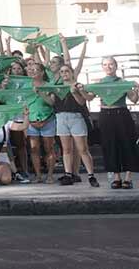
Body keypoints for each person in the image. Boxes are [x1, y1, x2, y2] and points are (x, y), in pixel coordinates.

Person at [83, 56, 139, 189]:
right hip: (105, 115)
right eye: (105, 65)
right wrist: (81, 90)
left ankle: (128, 178)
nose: (108, 67)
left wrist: (136, 90)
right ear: (102, 67)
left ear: (116, 66)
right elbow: (89, 97)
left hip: (121, 114)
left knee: (127, 143)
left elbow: (134, 99)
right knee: (110, 145)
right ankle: (116, 177)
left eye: (111, 64)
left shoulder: (123, 82)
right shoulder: (99, 83)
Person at [48, 64, 99, 187]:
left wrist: (75, 92)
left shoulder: (78, 85)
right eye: (62, 71)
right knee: (66, 149)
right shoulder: (57, 87)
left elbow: (82, 102)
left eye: (66, 71)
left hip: (76, 117)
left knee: (82, 149)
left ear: (71, 73)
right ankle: (68, 174)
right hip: (61, 117)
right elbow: (52, 102)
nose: (64, 74)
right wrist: (41, 93)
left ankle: (91, 175)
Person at [27, 62, 57, 184]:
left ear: (42, 72)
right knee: (34, 149)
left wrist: (40, 92)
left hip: (47, 119)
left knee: (48, 148)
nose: (33, 71)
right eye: (31, 69)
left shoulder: (49, 86)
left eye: (36, 69)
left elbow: (52, 102)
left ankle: (50, 175)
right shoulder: (26, 86)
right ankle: (38, 175)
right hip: (31, 121)